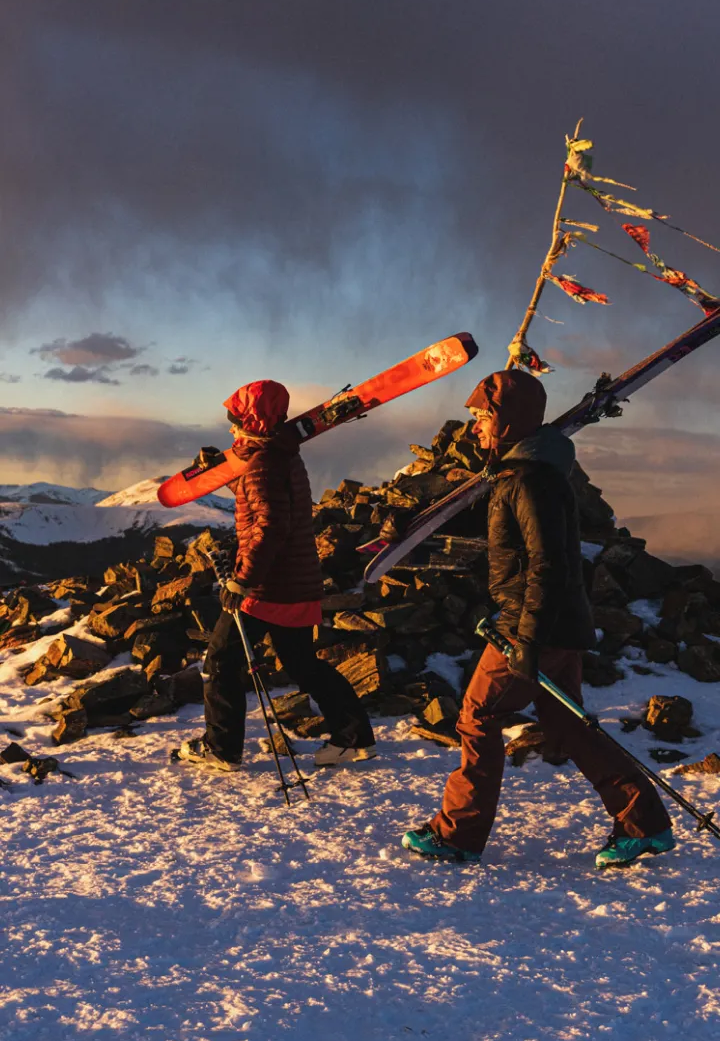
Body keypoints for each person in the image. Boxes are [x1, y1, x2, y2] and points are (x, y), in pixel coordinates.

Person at [402, 368, 674, 870]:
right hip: (553, 622)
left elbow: (546, 563)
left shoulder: (529, 481)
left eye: (483, 417)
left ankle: (458, 834)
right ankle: (645, 825)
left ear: (507, 422)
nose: (476, 427)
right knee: (567, 724)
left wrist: (526, 638)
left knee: (477, 716)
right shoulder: (528, 472)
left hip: (532, 624)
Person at [176, 379, 376, 772]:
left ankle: (222, 747)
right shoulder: (279, 453)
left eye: (235, 420)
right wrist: (220, 466)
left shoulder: (263, 463)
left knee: (219, 659)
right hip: (295, 580)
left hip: (268, 585)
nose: (231, 427)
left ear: (250, 420)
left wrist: (242, 580)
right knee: (301, 663)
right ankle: (352, 736)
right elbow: (257, 489)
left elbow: (269, 525)